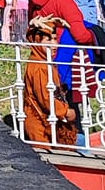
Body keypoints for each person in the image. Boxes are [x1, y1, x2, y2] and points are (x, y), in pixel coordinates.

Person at [21, 15, 78, 146]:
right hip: (42, 127)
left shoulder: (45, 61)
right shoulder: (39, 66)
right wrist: (66, 112)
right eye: (49, 39)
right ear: (37, 41)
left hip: (50, 124)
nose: (54, 44)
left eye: (55, 39)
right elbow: (46, 99)